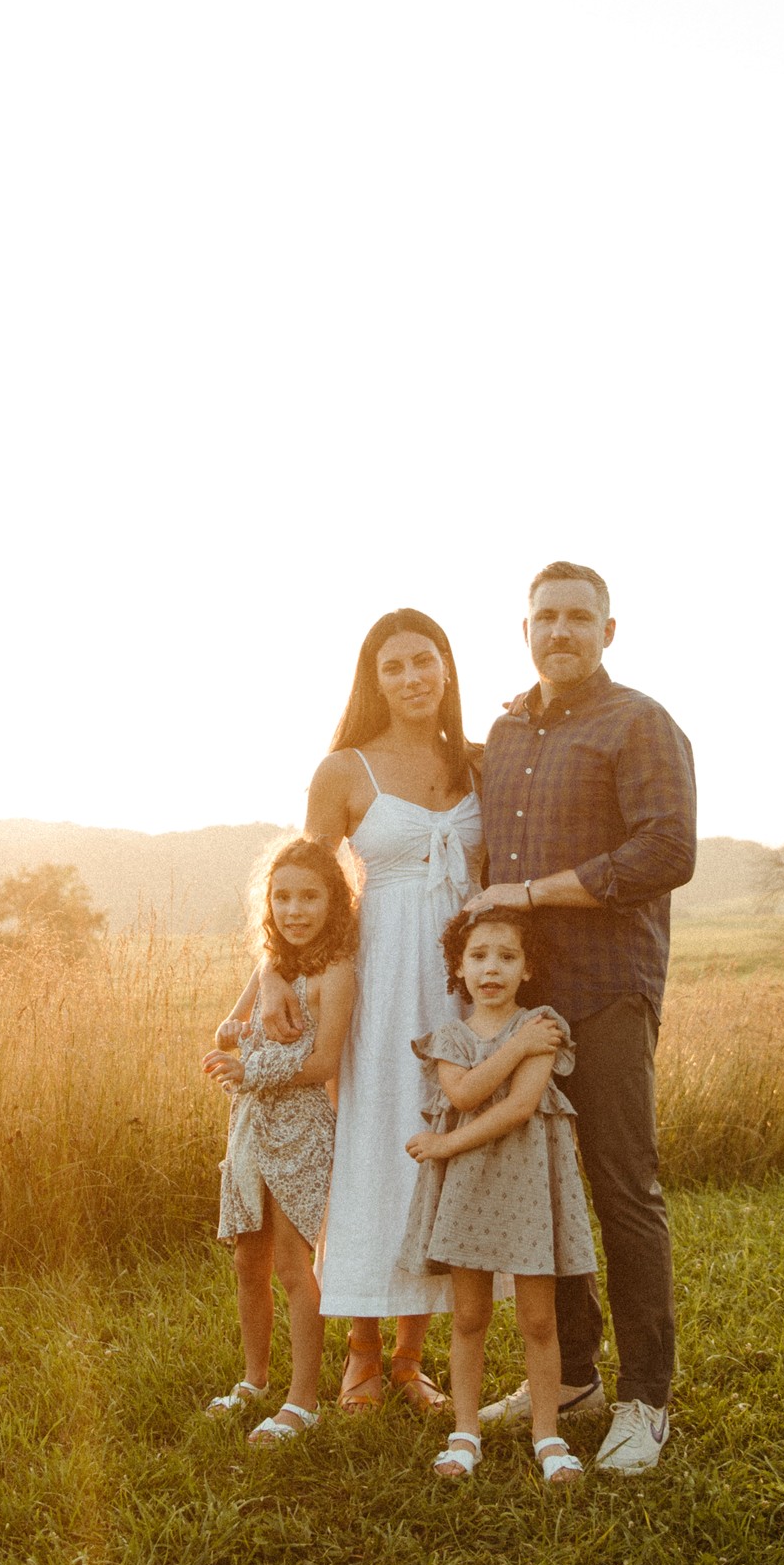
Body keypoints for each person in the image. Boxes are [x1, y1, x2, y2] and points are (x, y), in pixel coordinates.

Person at [466, 561, 696, 1473]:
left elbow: (666, 850)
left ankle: (645, 1399)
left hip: (607, 989)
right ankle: (569, 1380)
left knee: (620, 1189)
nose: (559, 630)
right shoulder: (504, 730)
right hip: (522, 1003)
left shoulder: (638, 722)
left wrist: (534, 893)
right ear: (524, 629)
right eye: (544, 617)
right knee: (541, 1189)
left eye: (576, 617)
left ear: (608, 629)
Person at [258, 609, 484, 1412]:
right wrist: (277, 974)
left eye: (424, 660)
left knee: (440, 1146)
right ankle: (359, 1348)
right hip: (378, 978)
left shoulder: (478, 763)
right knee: (371, 1145)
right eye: (394, 666)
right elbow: (306, 883)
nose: (412, 677)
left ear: (446, 668)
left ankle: (410, 1358)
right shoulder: (343, 770)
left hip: (460, 982)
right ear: (374, 680)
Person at [399, 905, 597, 1486]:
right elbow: (462, 1094)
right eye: (479, 956)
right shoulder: (450, 1038)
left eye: (507, 957)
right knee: (469, 1315)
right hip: (468, 1189)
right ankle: (465, 1432)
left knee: (538, 1318)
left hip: (528, 1189)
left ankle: (547, 1434)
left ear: (527, 968)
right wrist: (513, 1049)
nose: (492, 968)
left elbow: (518, 1106)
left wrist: (443, 1144)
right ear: (458, 968)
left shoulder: (542, 1026)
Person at [201, 837, 356, 1442]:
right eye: (282, 896)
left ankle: (303, 1400)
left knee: (293, 1262)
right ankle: (254, 1380)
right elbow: (231, 1028)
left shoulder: (335, 971)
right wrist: (233, 1030)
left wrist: (251, 1069)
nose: (294, 910)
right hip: (249, 1124)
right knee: (248, 1258)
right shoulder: (271, 965)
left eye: (309, 897)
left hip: (301, 1127)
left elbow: (324, 1062)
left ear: (334, 901)